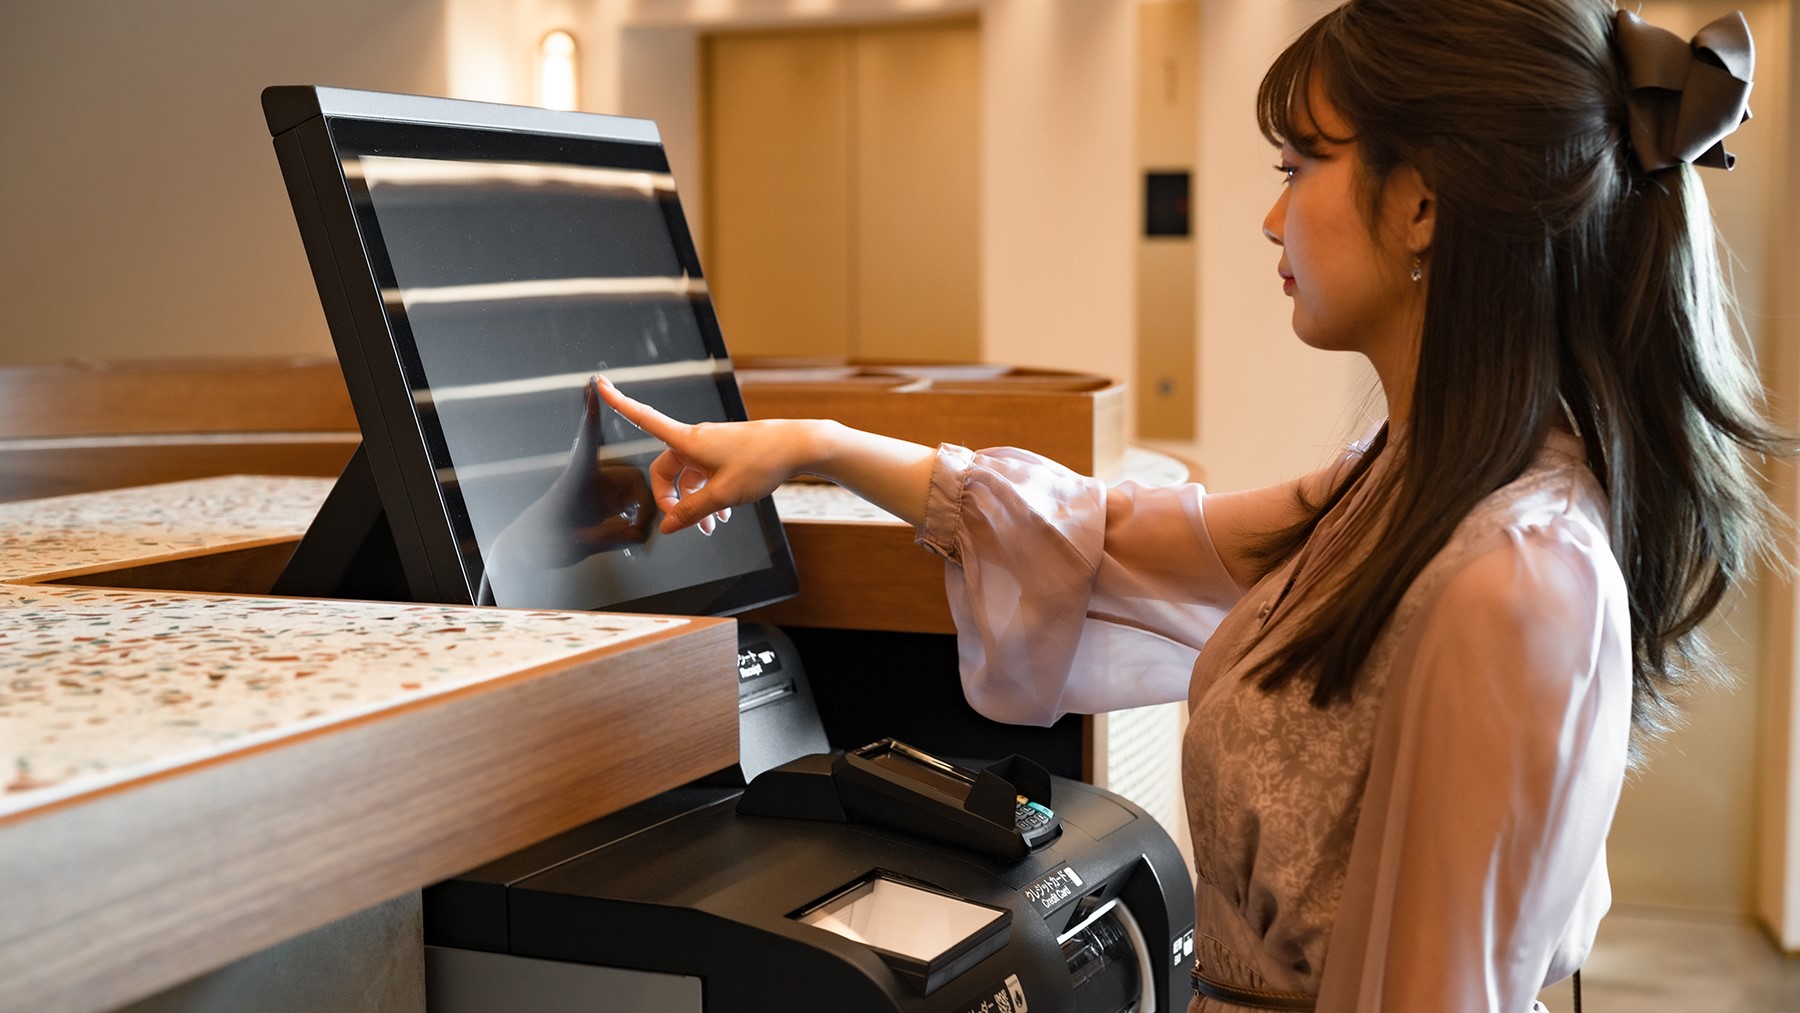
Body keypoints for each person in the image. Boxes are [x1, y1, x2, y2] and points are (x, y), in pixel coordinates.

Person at [595, 1, 1786, 1008]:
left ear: (1422, 202)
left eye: (1300, 166)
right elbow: (1114, 540)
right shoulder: (1407, 487)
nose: (1274, 216)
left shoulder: (1511, 573)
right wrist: (816, 445)